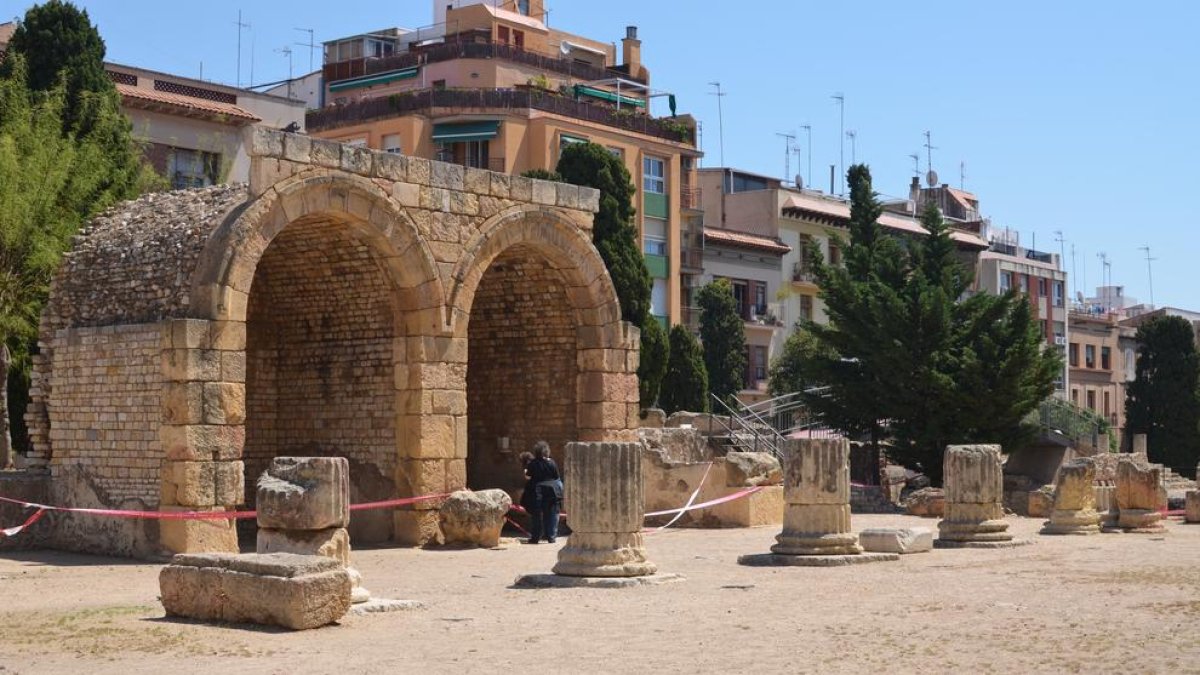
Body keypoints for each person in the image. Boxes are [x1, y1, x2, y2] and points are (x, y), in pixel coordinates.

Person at [521, 441, 562, 544]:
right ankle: (551, 537)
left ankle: (535, 537)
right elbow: (556, 477)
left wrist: (525, 472)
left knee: (536, 515)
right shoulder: (552, 462)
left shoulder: (533, 463)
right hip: (552, 492)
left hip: (537, 492)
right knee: (551, 514)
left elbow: (528, 477)